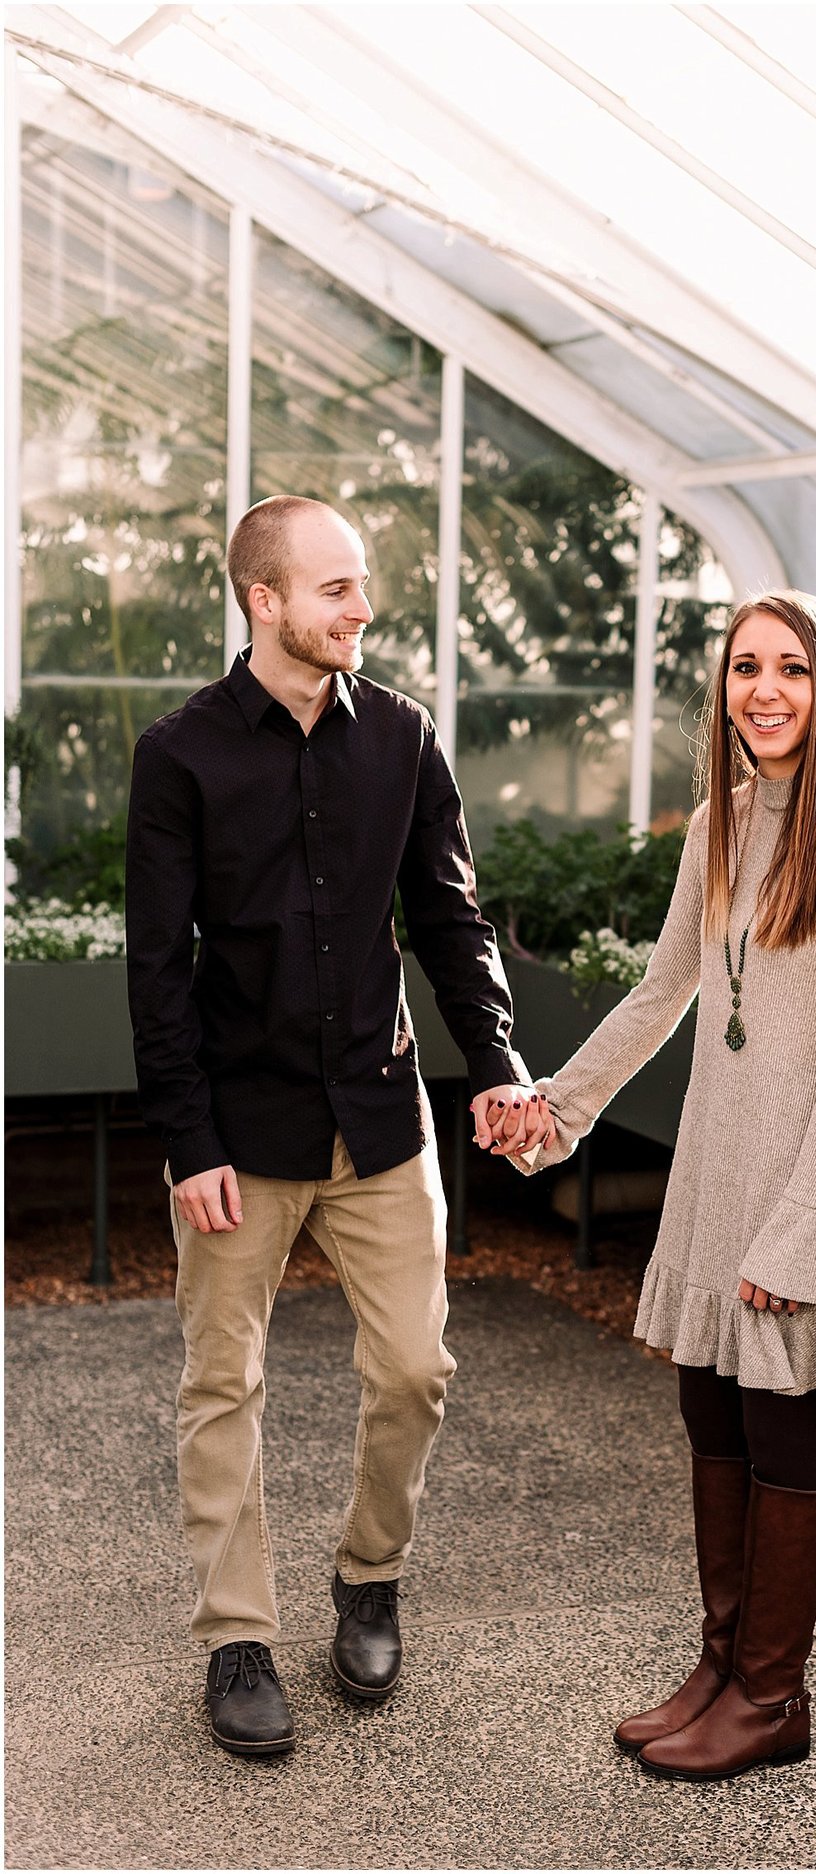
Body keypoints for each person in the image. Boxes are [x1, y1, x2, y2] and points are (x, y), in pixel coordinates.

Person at [125, 494, 552, 1757]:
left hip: (379, 1111)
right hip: (238, 1127)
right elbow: (157, 965)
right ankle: (236, 1635)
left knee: (417, 1368)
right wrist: (186, 1135)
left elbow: (450, 916)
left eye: (361, 586)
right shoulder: (182, 753)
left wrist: (496, 1058)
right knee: (222, 1380)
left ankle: (370, 1574)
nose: (361, 608)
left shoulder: (405, 739)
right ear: (263, 600)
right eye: (334, 590)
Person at [491, 588, 816, 1783]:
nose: (765, 691)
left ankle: (775, 1695)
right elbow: (661, 988)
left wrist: (801, 1223)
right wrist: (557, 1107)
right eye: (745, 669)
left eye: (791, 670)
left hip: (800, 1172)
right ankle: (724, 1663)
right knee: (707, 1409)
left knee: (781, 1421)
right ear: (722, 688)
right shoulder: (720, 825)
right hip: (713, 1160)